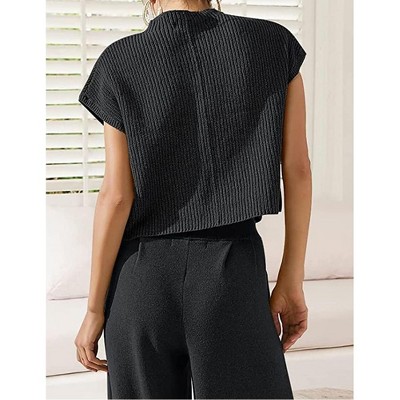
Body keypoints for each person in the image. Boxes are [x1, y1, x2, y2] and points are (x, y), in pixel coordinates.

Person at [74, 0, 311, 398]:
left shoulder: (120, 60)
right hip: (231, 275)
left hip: (141, 281)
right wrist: (291, 278)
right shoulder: (273, 44)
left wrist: (95, 309)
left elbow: (116, 197)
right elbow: (298, 169)